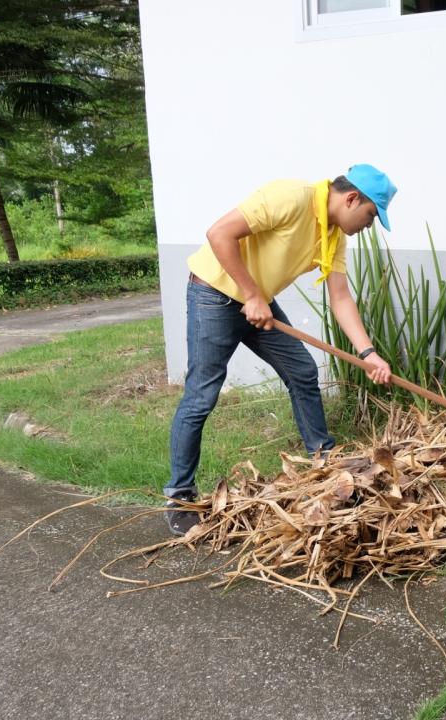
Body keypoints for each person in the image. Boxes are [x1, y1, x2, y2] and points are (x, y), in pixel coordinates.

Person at [164, 164, 396, 536]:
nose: (368, 225)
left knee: (302, 371)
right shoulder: (291, 196)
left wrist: (368, 354)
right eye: (371, 216)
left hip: (257, 304)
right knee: (201, 396)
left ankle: (324, 463)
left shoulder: (334, 235)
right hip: (214, 295)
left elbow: (340, 297)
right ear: (352, 199)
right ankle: (180, 497)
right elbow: (219, 233)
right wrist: (253, 294)